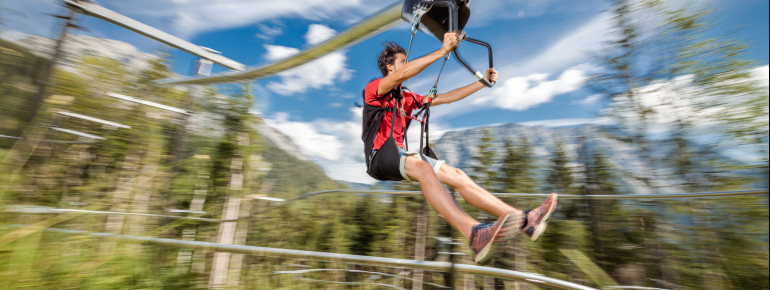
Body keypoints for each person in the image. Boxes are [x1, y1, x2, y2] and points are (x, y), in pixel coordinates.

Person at [362, 32, 557, 265]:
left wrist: (481, 83)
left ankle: (524, 221)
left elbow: (445, 98)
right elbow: (404, 74)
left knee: (457, 175)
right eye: (403, 61)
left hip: (401, 154)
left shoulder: (407, 97)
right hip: (380, 156)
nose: (407, 65)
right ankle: (474, 234)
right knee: (424, 169)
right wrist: (443, 51)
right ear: (389, 67)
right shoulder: (375, 89)